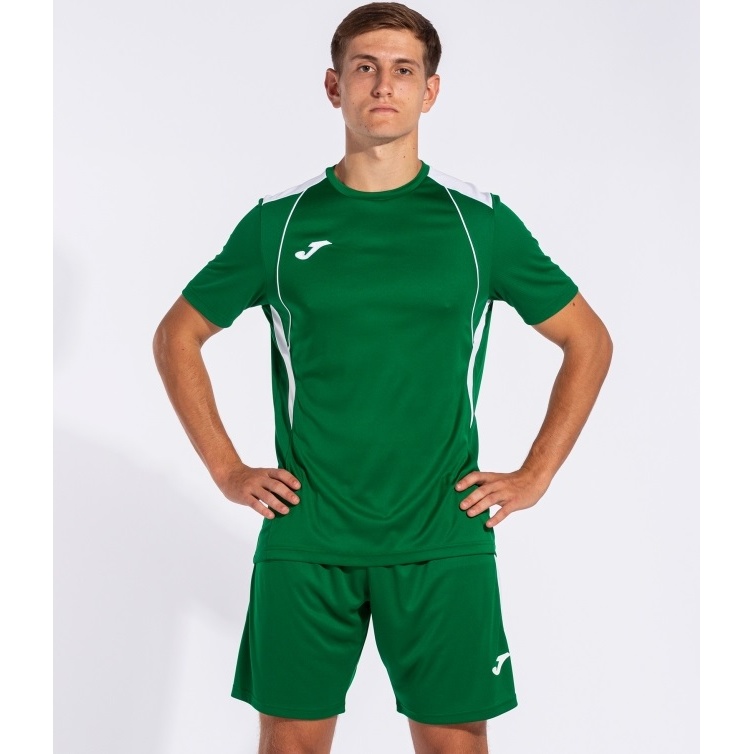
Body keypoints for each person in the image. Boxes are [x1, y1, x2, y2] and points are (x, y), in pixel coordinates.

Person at [153, 3, 613, 752]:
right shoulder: (279, 223)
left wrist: (537, 474)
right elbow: (178, 334)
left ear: (430, 91)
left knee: (453, 743)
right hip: (308, 534)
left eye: (404, 70)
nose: (383, 85)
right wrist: (227, 469)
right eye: (364, 67)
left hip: (442, 534)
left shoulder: (478, 223)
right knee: (291, 742)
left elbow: (587, 339)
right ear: (333, 86)